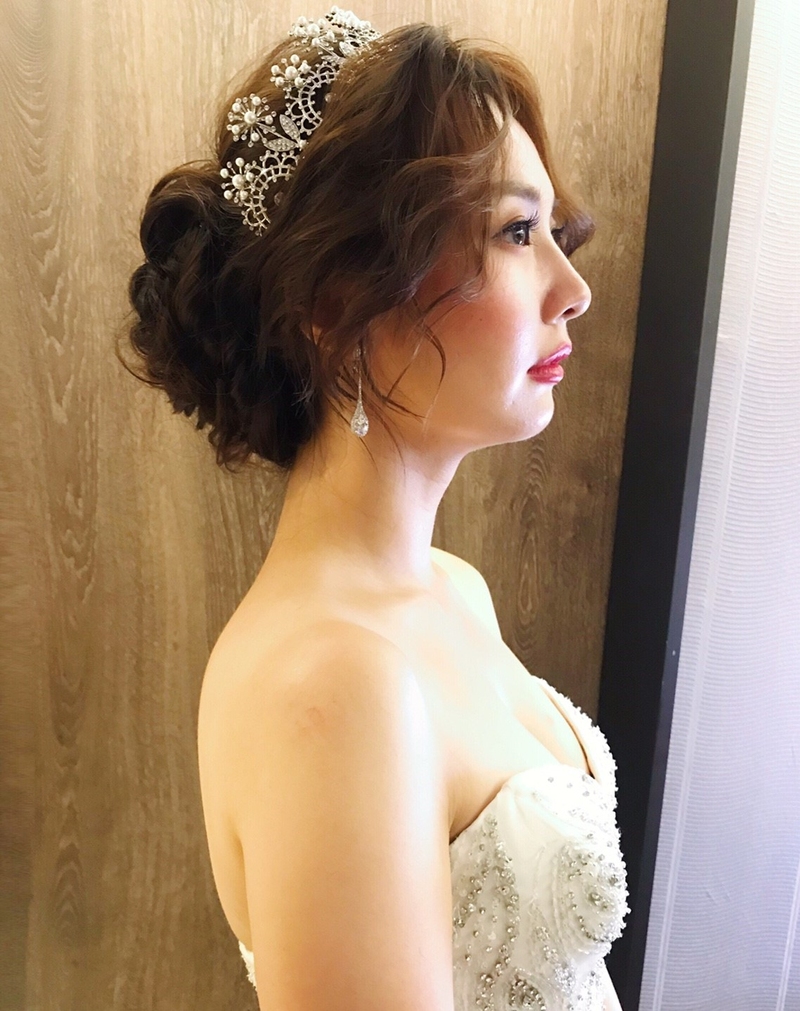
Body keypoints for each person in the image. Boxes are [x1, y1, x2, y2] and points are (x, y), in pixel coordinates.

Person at [123, 8, 629, 1009]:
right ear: (338, 301)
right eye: (515, 232)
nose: (570, 288)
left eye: (549, 233)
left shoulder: (452, 587)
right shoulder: (333, 687)